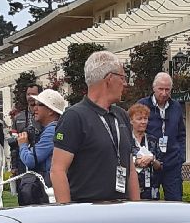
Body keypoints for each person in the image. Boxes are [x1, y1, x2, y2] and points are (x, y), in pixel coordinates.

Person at [50, 50, 139, 205]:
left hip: (122, 210)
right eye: (123, 77)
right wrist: (67, 214)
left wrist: (137, 209)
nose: (125, 84)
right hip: (87, 213)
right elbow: (58, 171)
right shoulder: (74, 117)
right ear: (109, 79)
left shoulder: (121, 115)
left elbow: (130, 169)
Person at [137, 71, 186, 201]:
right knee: (149, 201)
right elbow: (135, 132)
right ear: (153, 88)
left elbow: (181, 133)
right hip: (150, 163)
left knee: (175, 201)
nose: (164, 93)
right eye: (161, 89)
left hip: (172, 163)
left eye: (167, 89)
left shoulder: (176, 107)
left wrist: (181, 156)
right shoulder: (142, 105)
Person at [15, 90, 65, 205]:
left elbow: (30, 160)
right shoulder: (53, 129)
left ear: (51, 111)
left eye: (39, 105)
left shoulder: (51, 131)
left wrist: (22, 145)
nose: (34, 108)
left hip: (48, 188)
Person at [127, 102, 161, 200]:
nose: (143, 122)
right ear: (131, 121)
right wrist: (136, 162)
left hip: (151, 189)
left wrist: (152, 159)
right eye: (139, 119)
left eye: (145, 119)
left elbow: (160, 165)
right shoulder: (126, 139)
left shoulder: (153, 140)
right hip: (132, 188)